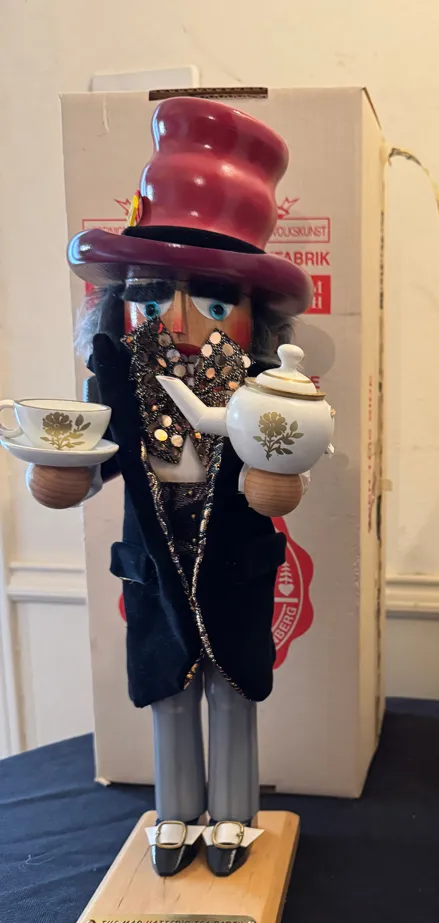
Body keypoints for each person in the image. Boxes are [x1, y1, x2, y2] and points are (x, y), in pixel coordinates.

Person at [30, 96, 313, 877]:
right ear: (121, 306)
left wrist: (275, 480)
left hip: (233, 563)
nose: (180, 322)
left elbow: (285, 471)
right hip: (156, 565)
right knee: (169, 689)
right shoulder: (121, 385)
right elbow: (92, 461)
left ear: (257, 320)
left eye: (214, 303)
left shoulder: (265, 394)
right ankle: (176, 812)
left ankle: (234, 816)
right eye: (153, 298)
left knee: (232, 686)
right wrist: (62, 473)